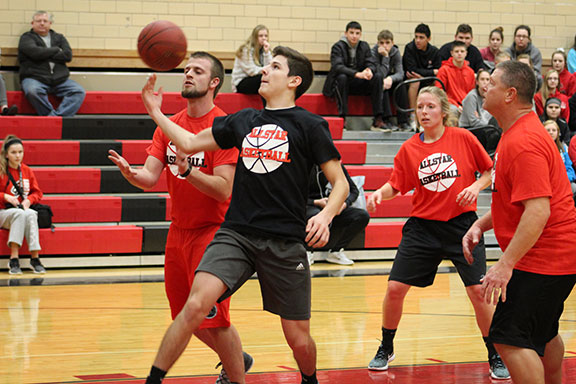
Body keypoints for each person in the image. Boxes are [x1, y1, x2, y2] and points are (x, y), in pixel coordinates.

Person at [141, 46, 349, 384]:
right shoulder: (244, 120)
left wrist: (325, 217)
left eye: (275, 67)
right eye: (266, 66)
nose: (265, 71)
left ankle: (309, 379)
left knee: (298, 340)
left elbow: (340, 184)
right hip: (236, 234)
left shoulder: (311, 125)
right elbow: (191, 144)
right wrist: (156, 113)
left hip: (285, 241)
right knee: (194, 307)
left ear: (294, 80)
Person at [108, 52, 250, 384]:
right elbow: (149, 178)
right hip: (179, 231)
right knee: (183, 317)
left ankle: (236, 376)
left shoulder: (224, 128)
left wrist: (188, 172)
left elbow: (223, 191)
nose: (187, 74)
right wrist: (131, 174)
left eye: (197, 71)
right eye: (186, 69)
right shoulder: (170, 125)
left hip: (214, 234)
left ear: (214, 82)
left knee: (213, 319)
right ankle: (236, 360)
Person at [366, 86, 510, 380]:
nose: (424, 112)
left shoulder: (464, 138)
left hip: (461, 225)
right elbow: (397, 185)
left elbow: (488, 172)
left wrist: (474, 187)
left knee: (478, 293)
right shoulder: (409, 148)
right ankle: (386, 346)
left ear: (443, 111)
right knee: (394, 289)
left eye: (430, 106)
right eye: (420, 107)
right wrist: (379, 193)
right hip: (423, 228)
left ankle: (495, 353)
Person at [462, 60, 576, 384]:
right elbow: (518, 201)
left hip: (545, 259)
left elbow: (538, 211)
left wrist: (505, 264)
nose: (485, 85)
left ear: (510, 94)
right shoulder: (518, 134)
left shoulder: (523, 141)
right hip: (557, 258)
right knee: (543, 333)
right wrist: (480, 225)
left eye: (492, 83)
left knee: (508, 336)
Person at [17, 10, 85, 116]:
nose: (42, 23)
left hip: (60, 80)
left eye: (45, 21)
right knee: (32, 91)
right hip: (35, 78)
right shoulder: (26, 38)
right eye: (38, 21)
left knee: (78, 91)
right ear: (32, 23)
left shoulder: (59, 37)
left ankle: (54, 118)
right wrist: (56, 50)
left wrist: (44, 53)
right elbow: (35, 53)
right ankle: (52, 119)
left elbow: (67, 56)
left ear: (50, 23)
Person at [322, 21, 385, 130]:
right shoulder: (338, 47)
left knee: (378, 76)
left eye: (357, 33)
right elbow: (338, 67)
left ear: (360, 35)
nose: (354, 36)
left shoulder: (364, 46)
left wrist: (369, 70)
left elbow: (372, 62)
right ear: (346, 33)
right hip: (342, 83)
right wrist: (356, 74)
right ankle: (342, 118)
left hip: (359, 81)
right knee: (342, 77)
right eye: (351, 33)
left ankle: (378, 119)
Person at [306, 163, 370, 266]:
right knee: (316, 215)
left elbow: (354, 191)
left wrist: (343, 205)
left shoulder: (334, 165)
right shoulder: (302, 165)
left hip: (329, 206)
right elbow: (291, 196)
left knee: (362, 216)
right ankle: (307, 251)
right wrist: (316, 202)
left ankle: (336, 251)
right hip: (309, 206)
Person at [0, 135, 46, 275]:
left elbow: (37, 193)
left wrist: (29, 201)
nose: (18, 155)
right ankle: (14, 258)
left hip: (21, 212)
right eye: (14, 152)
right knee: (20, 213)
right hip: (3, 212)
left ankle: (35, 257)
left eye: (20, 152)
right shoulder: (1, 170)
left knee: (31, 213)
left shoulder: (27, 170)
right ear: (6, 154)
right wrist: (5, 196)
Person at [402, 23, 441, 128]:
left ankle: (434, 116)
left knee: (437, 82)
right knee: (415, 81)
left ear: (428, 39)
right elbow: (412, 70)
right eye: (416, 37)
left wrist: (425, 75)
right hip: (411, 81)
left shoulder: (434, 51)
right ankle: (413, 116)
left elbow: (439, 72)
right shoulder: (409, 48)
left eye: (421, 38)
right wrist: (431, 72)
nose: (417, 40)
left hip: (428, 80)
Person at [371, 29, 410, 131]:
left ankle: (403, 121)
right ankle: (386, 119)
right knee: (380, 81)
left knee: (401, 84)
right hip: (375, 81)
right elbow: (380, 73)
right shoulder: (373, 52)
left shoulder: (396, 52)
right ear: (377, 43)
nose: (385, 46)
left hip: (387, 80)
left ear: (393, 43)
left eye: (388, 43)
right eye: (382, 43)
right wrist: (386, 57)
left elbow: (400, 73)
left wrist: (390, 79)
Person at [231, 25, 273, 95]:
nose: (264, 38)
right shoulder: (245, 50)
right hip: (241, 82)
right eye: (260, 36)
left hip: (255, 79)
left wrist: (267, 53)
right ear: (255, 37)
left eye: (266, 36)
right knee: (264, 79)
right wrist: (267, 70)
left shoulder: (265, 50)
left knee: (271, 79)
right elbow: (251, 71)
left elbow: (270, 66)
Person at [436, 41, 476, 110]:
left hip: (466, 105)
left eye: (462, 51)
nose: (459, 53)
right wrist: (456, 105)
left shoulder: (470, 72)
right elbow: (439, 93)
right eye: (456, 51)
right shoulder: (444, 70)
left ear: (466, 53)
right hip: (450, 104)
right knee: (454, 110)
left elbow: (472, 93)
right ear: (452, 53)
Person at [543, 120, 576, 194]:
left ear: (558, 133)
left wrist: (563, 178)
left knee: (574, 187)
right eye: (548, 130)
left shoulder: (563, 148)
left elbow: (570, 170)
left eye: (554, 130)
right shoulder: (538, 149)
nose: (551, 132)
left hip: (563, 181)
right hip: (546, 184)